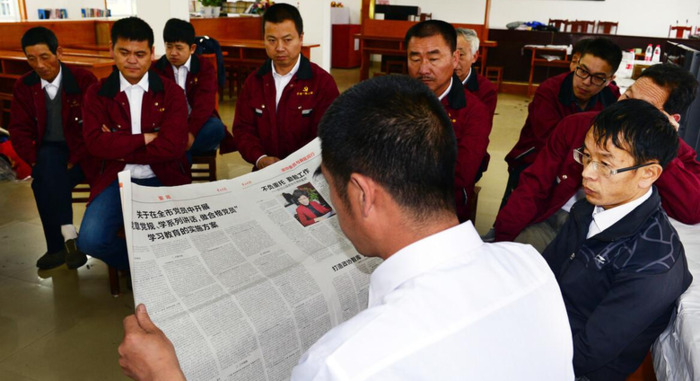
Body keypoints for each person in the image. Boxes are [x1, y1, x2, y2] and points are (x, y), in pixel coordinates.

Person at [118, 75, 575, 380]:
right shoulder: (530, 267)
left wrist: (166, 377)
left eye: (330, 189)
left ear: (361, 193)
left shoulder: (341, 365)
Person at [542, 99, 693, 380]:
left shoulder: (653, 262)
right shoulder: (590, 206)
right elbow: (544, 273)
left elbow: (586, 354)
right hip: (546, 327)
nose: (587, 172)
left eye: (605, 165)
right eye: (585, 156)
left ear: (648, 173)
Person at [495, 63, 700, 252]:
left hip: (615, 239)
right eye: (627, 97)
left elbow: (692, 209)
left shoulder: (676, 152)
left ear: (668, 119)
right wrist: (502, 239)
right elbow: (533, 186)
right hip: (558, 220)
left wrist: (661, 147)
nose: (623, 110)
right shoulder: (577, 126)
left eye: (640, 108)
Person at [79, 17, 190, 270]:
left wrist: (118, 146)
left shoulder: (172, 93)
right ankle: (140, 269)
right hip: (116, 180)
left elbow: (173, 146)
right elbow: (95, 145)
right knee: (89, 241)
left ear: (152, 53)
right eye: (124, 52)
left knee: (184, 237)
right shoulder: (97, 94)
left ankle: (164, 267)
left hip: (164, 176)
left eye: (140, 54)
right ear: (111, 50)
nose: (132, 60)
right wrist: (144, 139)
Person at [8, 27, 97, 270]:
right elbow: (18, 129)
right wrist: (32, 160)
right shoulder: (24, 86)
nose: (39, 65)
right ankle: (69, 239)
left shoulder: (82, 80)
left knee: (43, 182)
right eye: (31, 58)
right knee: (47, 165)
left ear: (59, 52)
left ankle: (57, 248)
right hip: (46, 154)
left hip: (82, 155)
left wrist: (74, 158)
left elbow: (93, 127)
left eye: (44, 56)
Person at [501, 37, 622, 207]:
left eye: (598, 78)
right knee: (516, 212)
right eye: (583, 71)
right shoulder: (549, 91)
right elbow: (551, 143)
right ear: (576, 63)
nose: (586, 82)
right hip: (534, 160)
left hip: (582, 169)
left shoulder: (611, 98)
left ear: (610, 79)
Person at [230, 3, 339, 170]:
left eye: (287, 40)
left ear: (301, 38)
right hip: (264, 171)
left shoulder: (321, 83)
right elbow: (242, 129)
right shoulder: (254, 82)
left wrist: (294, 165)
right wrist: (260, 158)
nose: (279, 48)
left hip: (309, 172)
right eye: (272, 40)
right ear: (264, 39)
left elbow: (328, 135)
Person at [405, 20, 492, 222]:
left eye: (434, 59)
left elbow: (460, 175)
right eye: (415, 58)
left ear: (454, 59)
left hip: (443, 208)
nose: (423, 69)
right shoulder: (394, 97)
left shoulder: (474, 111)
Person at [151, 18, 226, 159]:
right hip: (167, 125)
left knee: (216, 127)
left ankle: (176, 153)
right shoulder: (156, 69)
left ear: (192, 49)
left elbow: (205, 105)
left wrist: (190, 133)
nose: (173, 52)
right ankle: (181, 155)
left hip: (196, 123)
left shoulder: (204, 68)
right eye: (169, 46)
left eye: (179, 48)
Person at [454, 28, 498, 120]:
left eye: (460, 55)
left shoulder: (486, 90)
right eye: (449, 54)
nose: (454, 61)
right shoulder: (435, 82)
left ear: (474, 56)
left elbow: (481, 128)